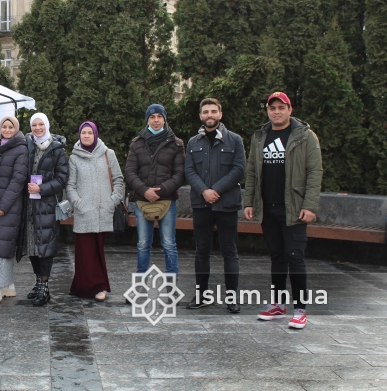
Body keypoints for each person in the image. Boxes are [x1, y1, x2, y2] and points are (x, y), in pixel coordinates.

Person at [245, 92, 322, 330]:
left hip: (294, 208)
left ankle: (300, 308)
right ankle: (277, 304)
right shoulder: (260, 136)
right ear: (267, 110)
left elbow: (314, 172)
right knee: (277, 257)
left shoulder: (305, 136)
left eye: (281, 107)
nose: (276, 111)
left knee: (294, 257)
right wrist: (249, 202)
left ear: (290, 109)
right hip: (268, 208)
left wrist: (309, 205)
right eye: (272, 108)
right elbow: (251, 172)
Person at [184, 99, 246, 313]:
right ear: (200, 115)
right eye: (205, 112)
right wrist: (204, 191)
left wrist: (215, 190)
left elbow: (239, 169)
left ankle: (232, 297)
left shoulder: (235, 140)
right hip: (201, 204)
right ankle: (201, 295)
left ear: (220, 113)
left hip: (227, 204)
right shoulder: (193, 142)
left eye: (213, 111)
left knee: (230, 251)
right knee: (202, 251)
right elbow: (189, 171)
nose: (209, 115)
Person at [66, 121, 124, 302]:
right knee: (84, 252)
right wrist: (78, 203)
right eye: (83, 133)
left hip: (103, 211)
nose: (87, 136)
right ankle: (82, 287)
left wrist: (112, 201)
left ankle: (100, 287)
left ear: (95, 134)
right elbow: (70, 185)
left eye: (90, 132)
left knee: (98, 251)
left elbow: (119, 179)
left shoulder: (108, 154)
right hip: (84, 212)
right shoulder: (74, 158)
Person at [125, 104, 185, 276]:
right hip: (142, 200)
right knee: (143, 244)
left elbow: (180, 174)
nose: (156, 120)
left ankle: (171, 288)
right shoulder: (136, 144)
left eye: (159, 116)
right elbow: (130, 172)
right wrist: (144, 190)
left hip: (167, 200)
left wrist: (162, 190)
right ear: (147, 120)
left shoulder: (176, 143)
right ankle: (140, 288)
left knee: (169, 244)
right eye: (152, 117)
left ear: (164, 118)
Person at [0, 116, 28, 306]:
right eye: (4, 126)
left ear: (16, 129)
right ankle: (8, 285)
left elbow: (18, 181)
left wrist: (3, 206)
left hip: (7, 206)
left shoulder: (20, 149)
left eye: (11, 127)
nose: (7, 129)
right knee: (2, 243)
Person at [24, 113, 69, 306]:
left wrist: (41, 189)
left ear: (47, 125)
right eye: (34, 124)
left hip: (47, 203)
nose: (37, 128)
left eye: (41, 124)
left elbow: (62, 179)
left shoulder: (57, 149)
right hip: (29, 203)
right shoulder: (26, 146)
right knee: (32, 244)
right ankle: (37, 282)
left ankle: (44, 285)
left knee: (46, 245)